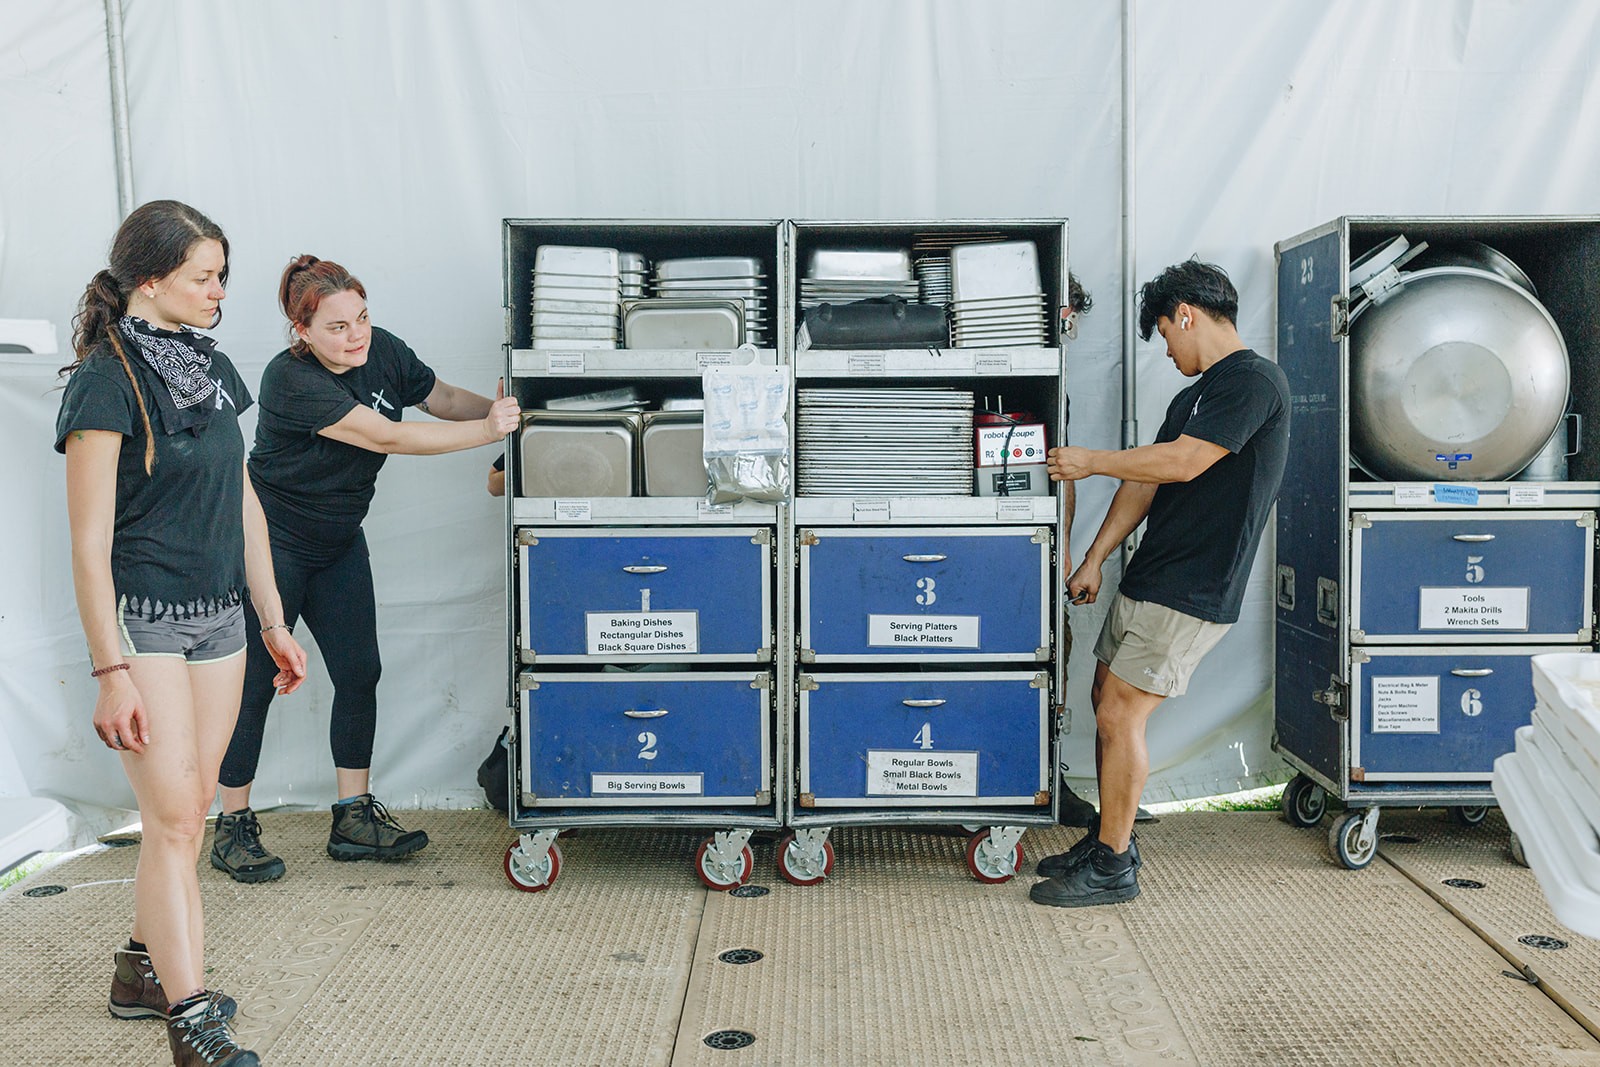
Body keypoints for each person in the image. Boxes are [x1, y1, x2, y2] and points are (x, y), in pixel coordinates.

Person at [57, 199, 308, 1066]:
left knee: (188, 813)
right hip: (148, 624)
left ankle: (139, 969)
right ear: (152, 278)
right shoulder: (104, 379)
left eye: (223, 276)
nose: (220, 292)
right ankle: (191, 1018)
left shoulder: (210, 367)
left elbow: (244, 503)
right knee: (170, 825)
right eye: (204, 276)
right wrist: (110, 669)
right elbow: (88, 541)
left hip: (223, 621)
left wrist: (272, 619)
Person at [209, 256, 519, 882]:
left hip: (339, 541)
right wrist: (489, 432)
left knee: (360, 671)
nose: (355, 336)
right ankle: (232, 825)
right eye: (336, 328)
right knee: (251, 685)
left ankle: (353, 818)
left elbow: (442, 399)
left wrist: (504, 412)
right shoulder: (287, 380)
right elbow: (385, 437)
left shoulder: (383, 351)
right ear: (301, 331)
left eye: (362, 319)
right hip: (275, 543)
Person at [1032, 259, 1289, 908]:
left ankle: (1115, 864)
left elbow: (1182, 462)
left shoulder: (1253, 383)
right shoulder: (1191, 396)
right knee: (1103, 696)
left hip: (1194, 585)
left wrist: (1088, 461)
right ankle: (1106, 835)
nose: (1167, 348)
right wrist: (1093, 558)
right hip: (1154, 575)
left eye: (1165, 332)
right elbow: (1144, 481)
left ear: (1187, 314)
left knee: (1123, 711)